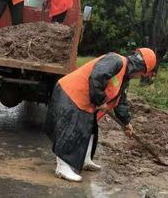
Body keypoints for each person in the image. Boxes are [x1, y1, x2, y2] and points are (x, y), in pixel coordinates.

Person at [44, 48, 157, 182]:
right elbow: (97, 77)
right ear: (140, 67)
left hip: (83, 101)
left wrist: (126, 122)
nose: (139, 77)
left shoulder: (123, 80)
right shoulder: (116, 61)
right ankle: (62, 167)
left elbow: (120, 102)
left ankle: (85, 160)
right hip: (71, 93)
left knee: (90, 129)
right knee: (71, 130)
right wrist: (101, 100)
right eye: (141, 74)